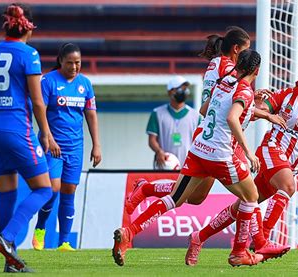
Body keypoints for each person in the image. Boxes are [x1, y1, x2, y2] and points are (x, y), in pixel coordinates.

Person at [185, 58, 298, 265]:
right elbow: (256, 111)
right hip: (270, 150)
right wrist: (259, 107)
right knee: (288, 186)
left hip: (289, 165)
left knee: (244, 205)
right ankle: (262, 238)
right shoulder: (285, 95)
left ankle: (199, 237)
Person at [113, 49, 266, 267]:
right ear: (257, 70)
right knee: (251, 197)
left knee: (175, 199)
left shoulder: (224, 82)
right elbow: (232, 118)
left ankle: (129, 232)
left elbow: (205, 109)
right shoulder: (245, 90)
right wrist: (248, 152)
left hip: (199, 149)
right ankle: (239, 252)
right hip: (220, 154)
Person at [125, 26, 254, 214]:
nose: (247, 56)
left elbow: (225, 100)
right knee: (250, 195)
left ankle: (146, 189)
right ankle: (254, 240)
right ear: (236, 49)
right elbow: (235, 101)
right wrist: (261, 110)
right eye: (245, 50)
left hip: (208, 131)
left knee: (195, 197)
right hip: (217, 136)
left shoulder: (217, 64)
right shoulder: (229, 68)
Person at [0, 3, 54, 272]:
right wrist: (45, 132)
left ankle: (10, 262)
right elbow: (37, 101)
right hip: (15, 129)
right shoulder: (28, 54)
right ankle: (8, 238)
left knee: (7, 193)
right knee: (44, 188)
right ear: (29, 28)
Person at [31, 43, 101, 251]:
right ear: (61, 61)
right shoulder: (48, 81)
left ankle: (64, 242)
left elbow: (91, 114)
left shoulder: (85, 84)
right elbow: (40, 110)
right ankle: (40, 229)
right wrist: (48, 137)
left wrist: (96, 144)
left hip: (75, 147)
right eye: (70, 62)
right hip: (52, 145)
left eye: (77, 62)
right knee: (52, 188)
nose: (74, 66)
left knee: (69, 191)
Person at [147, 75, 199, 169]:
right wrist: (159, 151)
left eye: (185, 88)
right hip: (165, 165)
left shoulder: (196, 116)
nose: (183, 91)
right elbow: (152, 139)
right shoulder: (157, 113)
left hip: (188, 168)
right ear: (170, 91)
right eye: (179, 88)